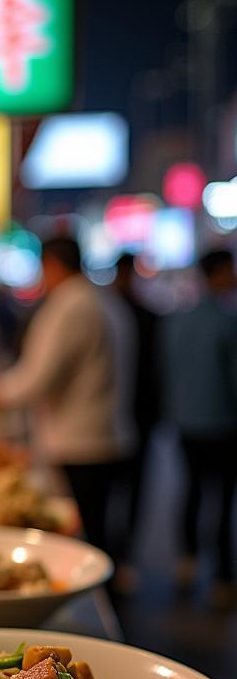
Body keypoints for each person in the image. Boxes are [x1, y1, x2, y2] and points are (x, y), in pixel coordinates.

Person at [0, 236, 135, 559]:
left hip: (79, 441)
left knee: (82, 538)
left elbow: (39, 376)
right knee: (94, 528)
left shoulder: (70, 305)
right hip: (98, 433)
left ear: (51, 265)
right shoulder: (99, 300)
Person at [162, 248, 237, 603]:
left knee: (191, 490)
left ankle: (187, 560)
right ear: (218, 273)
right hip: (222, 422)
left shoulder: (179, 320)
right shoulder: (227, 320)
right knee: (221, 499)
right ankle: (223, 575)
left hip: (186, 421)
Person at [112, 253, 161, 566]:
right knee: (130, 487)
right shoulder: (139, 314)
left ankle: (122, 554)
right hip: (135, 411)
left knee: (124, 488)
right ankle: (122, 554)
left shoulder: (111, 310)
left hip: (131, 411)